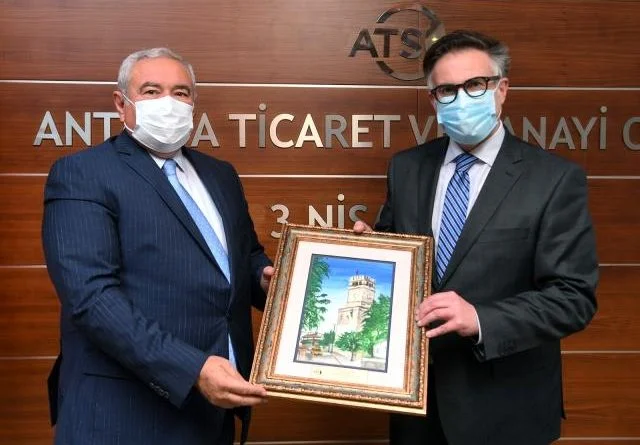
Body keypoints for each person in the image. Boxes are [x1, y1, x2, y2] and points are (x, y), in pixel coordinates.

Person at [354, 30, 598, 445]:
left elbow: (573, 298)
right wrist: (368, 252)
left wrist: (481, 319)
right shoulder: (407, 168)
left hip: (506, 410)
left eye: (475, 85)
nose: (461, 98)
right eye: (447, 90)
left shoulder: (554, 179)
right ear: (434, 100)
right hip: (416, 405)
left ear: (501, 90)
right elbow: (403, 261)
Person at [42, 47, 272, 445]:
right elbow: (92, 299)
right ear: (122, 104)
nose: (169, 102)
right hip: (123, 415)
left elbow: (244, 257)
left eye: (181, 93)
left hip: (213, 415)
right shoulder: (83, 174)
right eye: (151, 91)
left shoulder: (220, 175)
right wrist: (192, 369)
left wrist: (267, 282)